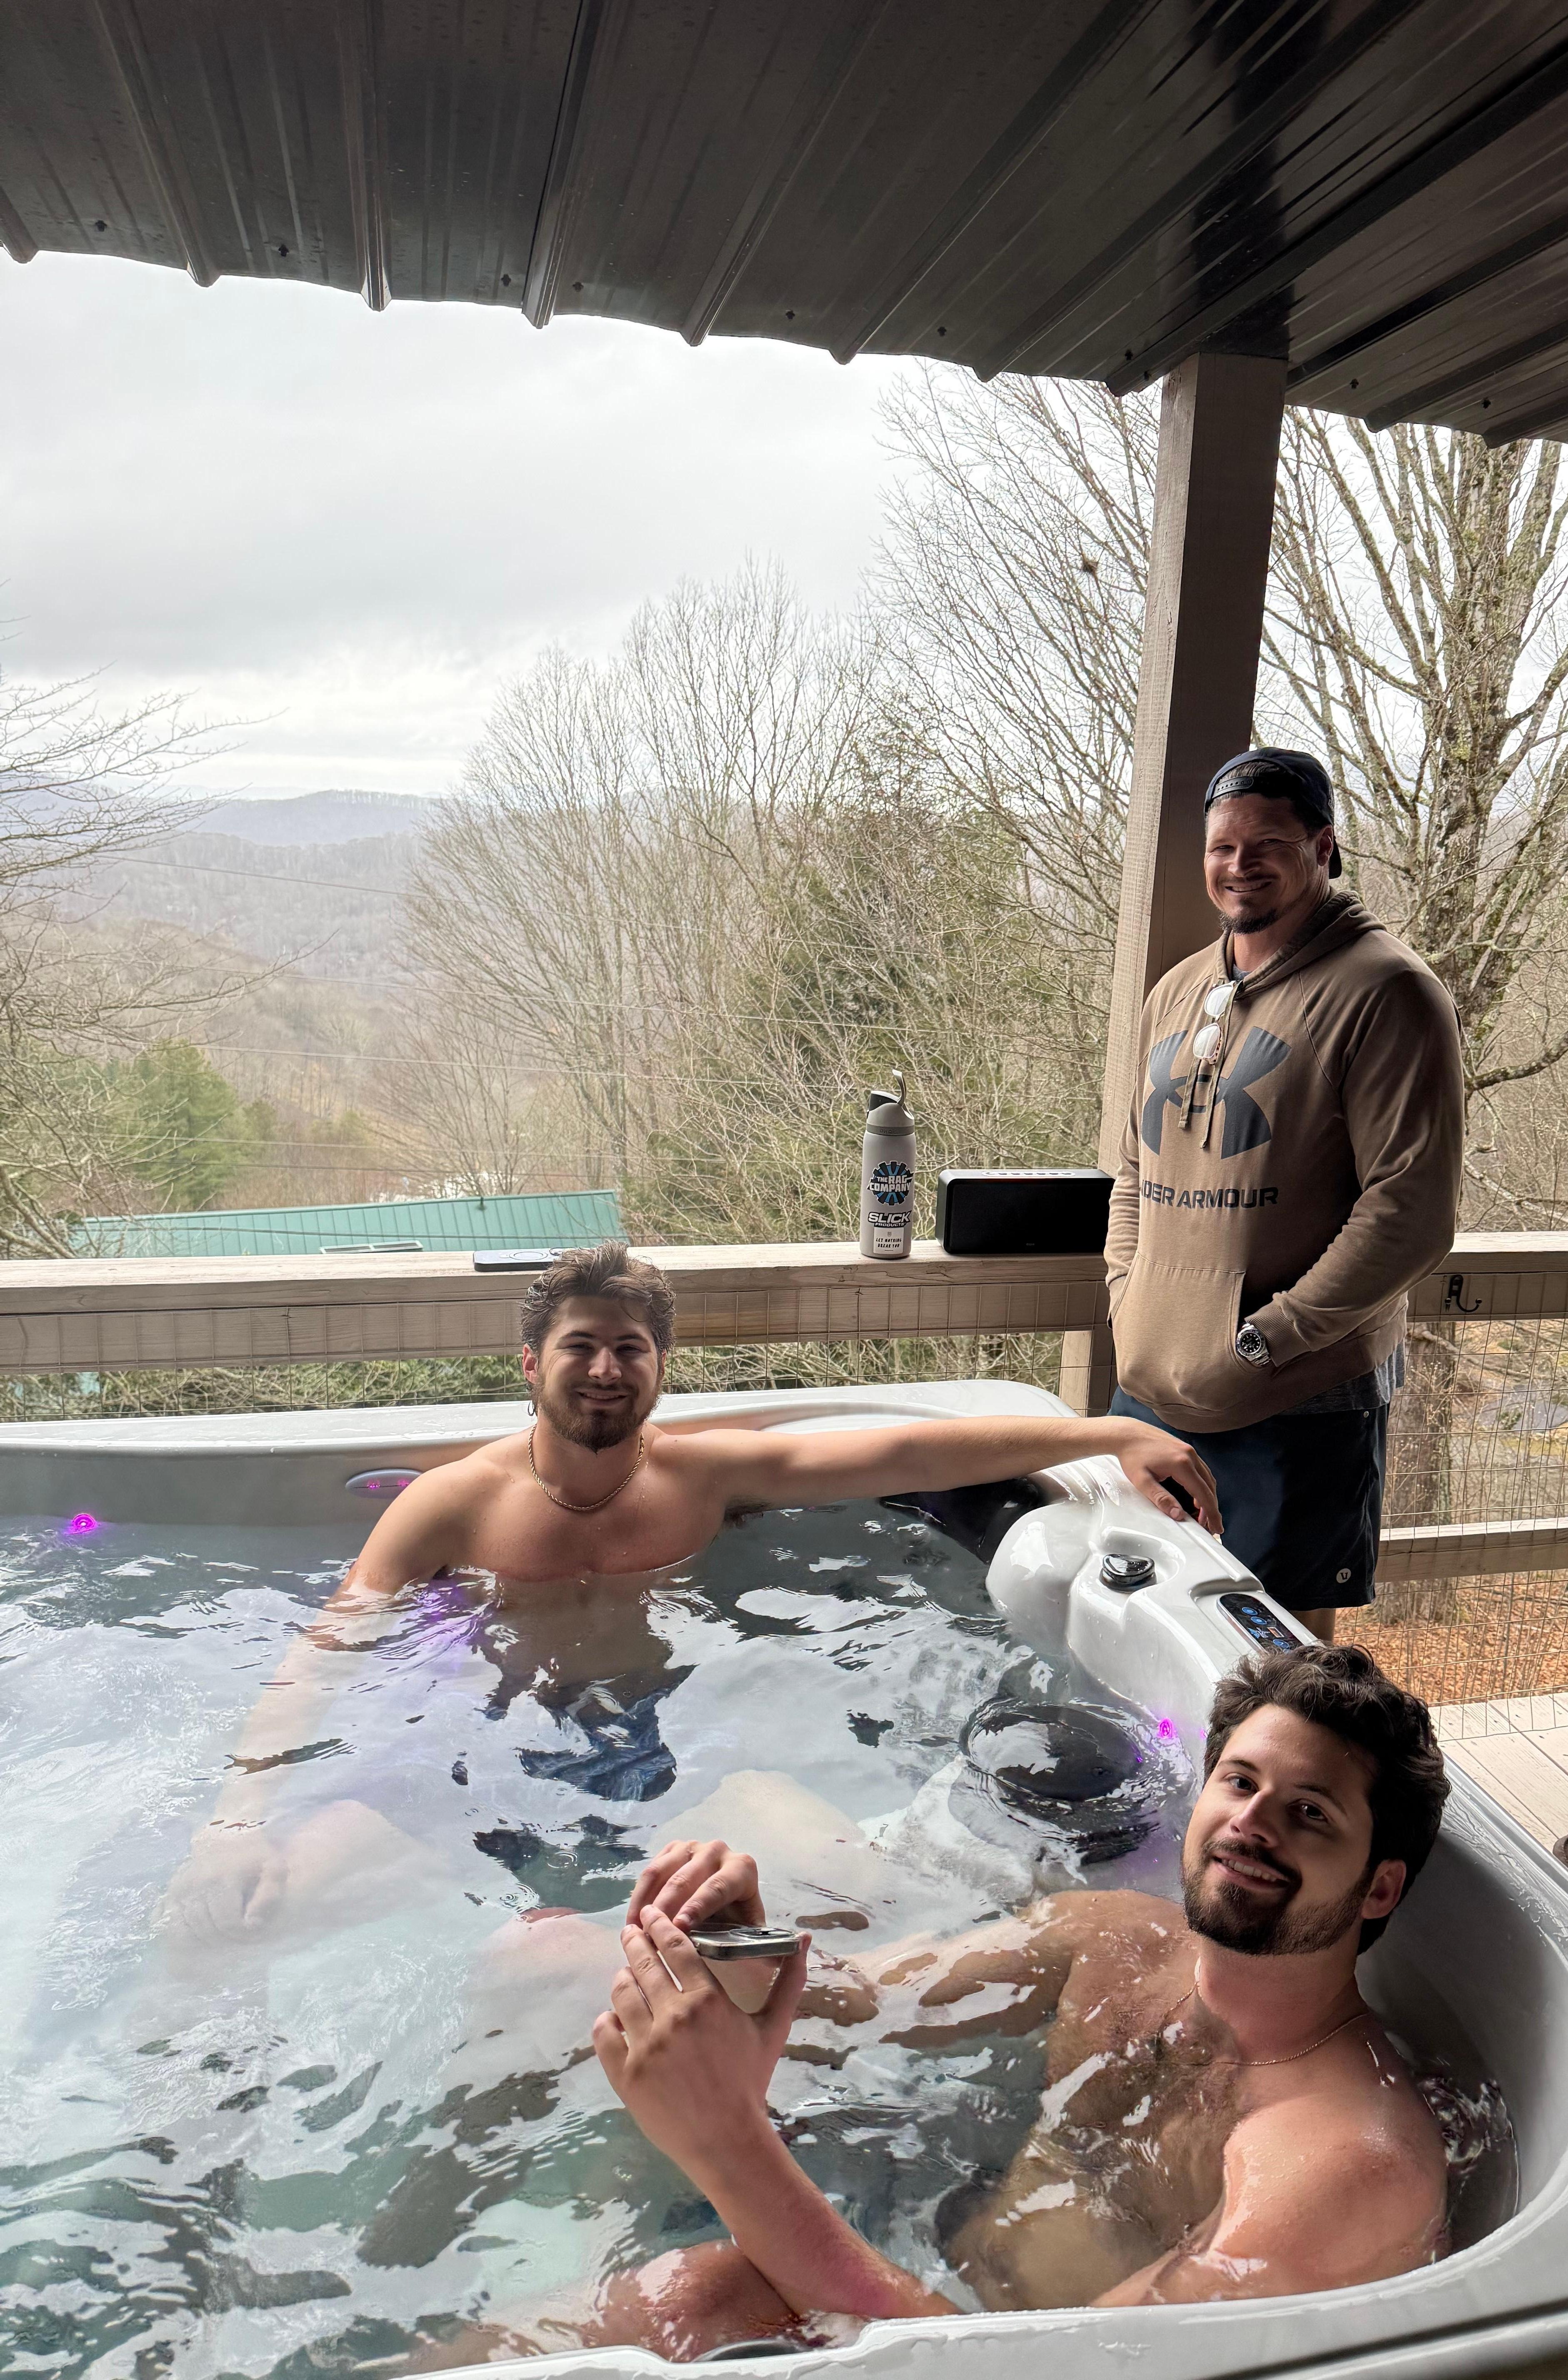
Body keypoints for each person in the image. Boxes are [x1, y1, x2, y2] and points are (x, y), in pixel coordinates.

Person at [163, 1242, 1223, 1947]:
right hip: (478, 1770)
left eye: (631, 1349)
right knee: (230, 1915)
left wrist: (1106, 1432)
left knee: (890, 1906)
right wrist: (234, 1819)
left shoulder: (700, 1480)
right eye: (581, 1346)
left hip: (670, 1760)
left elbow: (899, 1449)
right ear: (530, 1363)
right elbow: (326, 1651)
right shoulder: (447, 1508)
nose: (606, 1369)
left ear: (661, 1369)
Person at [424, 1642, 1451, 2363]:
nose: (1251, 1825)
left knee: (703, 2290)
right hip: (936, 2283)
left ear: (1379, 1888)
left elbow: (1060, 2379)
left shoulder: (1339, 2161)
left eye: (1309, 1813)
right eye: (1240, 1783)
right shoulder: (1114, 1940)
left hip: (1003, 2359)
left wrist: (728, 2146)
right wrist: (737, 1932)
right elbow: (859, 2006)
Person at [1104, 748, 1465, 1642]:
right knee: (1139, 1632)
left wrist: (1269, 1339)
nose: (1240, 863)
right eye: (1223, 845)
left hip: (1297, 1398)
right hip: (1153, 1384)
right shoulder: (1180, 991)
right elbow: (1134, 1174)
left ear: (1325, 847)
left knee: (1277, 1662)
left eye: (1269, 842)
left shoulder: (1387, 992)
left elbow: (1409, 1213)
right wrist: (1125, 1296)